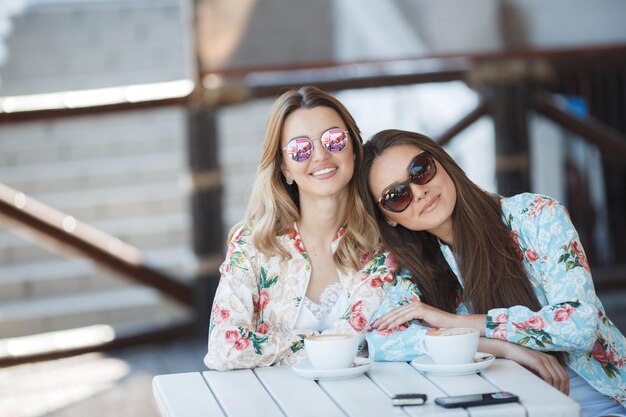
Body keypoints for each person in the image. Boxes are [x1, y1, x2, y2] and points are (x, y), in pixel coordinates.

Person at [359, 129, 626, 417]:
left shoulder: (537, 216)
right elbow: (384, 341)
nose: (419, 192)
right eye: (396, 196)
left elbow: (580, 324)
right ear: (388, 217)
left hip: (604, 404)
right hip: (516, 408)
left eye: (420, 170)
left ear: (442, 162)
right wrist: (504, 348)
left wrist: (460, 323)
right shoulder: (413, 266)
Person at [204, 86, 385, 371]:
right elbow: (223, 350)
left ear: (354, 148)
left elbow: (383, 341)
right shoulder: (252, 244)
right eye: (300, 149)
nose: (321, 156)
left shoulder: (382, 242)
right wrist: (325, 340)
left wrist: (273, 345)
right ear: (284, 167)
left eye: (334, 139)